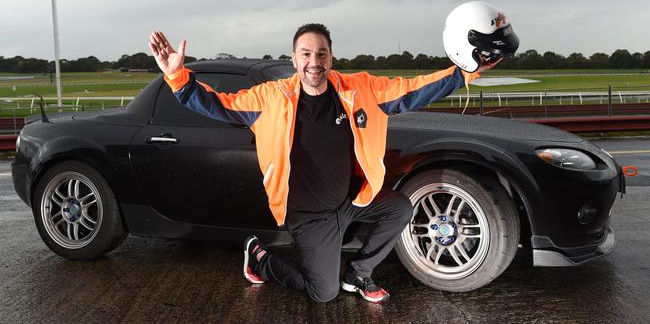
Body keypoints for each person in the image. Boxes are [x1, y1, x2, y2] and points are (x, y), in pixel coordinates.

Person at [148, 23, 500, 303]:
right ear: (294, 58)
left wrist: (464, 72)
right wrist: (178, 77)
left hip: (352, 201)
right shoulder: (272, 98)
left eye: (321, 53)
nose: (313, 61)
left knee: (400, 209)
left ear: (331, 57)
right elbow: (218, 105)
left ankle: (359, 273)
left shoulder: (358, 89)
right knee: (323, 294)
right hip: (308, 216)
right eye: (305, 53)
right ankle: (261, 260)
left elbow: (413, 89)